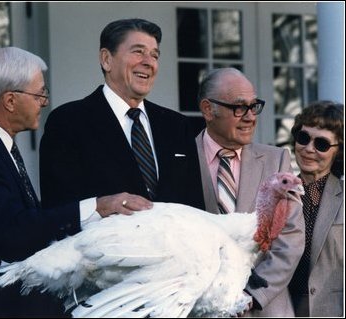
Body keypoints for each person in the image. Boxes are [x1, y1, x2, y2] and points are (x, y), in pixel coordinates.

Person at [0, 46, 152, 317]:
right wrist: (98, 207)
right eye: (39, 94)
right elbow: (15, 230)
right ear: (10, 100)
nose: (44, 102)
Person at [39, 18, 204, 212]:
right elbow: (60, 210)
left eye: (154, 55)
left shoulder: (177, 125)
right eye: (138, 52)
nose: (149, 62)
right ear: (106, 59)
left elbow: (195, 209)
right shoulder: (68, 122)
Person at [195, 68, 305, 316]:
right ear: (208, 109)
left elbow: (290, 239)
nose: (250, 117)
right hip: (199, 307)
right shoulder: (181, 157)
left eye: (253, 106)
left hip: (262, 308)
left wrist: (249, 297)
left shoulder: (276, 160)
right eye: (238, 107)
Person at [288, 101, 344, 317]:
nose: (309, 149)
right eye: (303, 138)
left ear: (338, 151)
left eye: (321, 144)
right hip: (279, 309)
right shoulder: (279, 192)